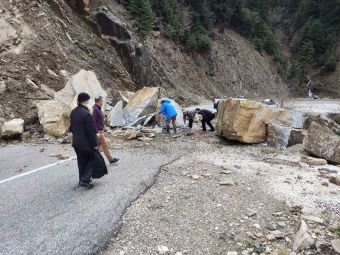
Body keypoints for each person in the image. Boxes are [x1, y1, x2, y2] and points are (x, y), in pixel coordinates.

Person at [70, 92, 108, 189]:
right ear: (86, 100)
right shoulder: (86, 114)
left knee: (82, 161)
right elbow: (90, 131)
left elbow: (71, 128)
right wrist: (95, 143)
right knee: (94, 159)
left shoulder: (73, 112)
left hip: (76, 142)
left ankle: (82, 179)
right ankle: (84, 180)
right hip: (86, 143)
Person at [92, 95, 119, 164]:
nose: (103, 101)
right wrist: (96, 131)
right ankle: (110, 159)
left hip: (100, 130)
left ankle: (92, 160)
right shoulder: (95, 109)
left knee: (98, 146)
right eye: (102, 100)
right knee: (104, 145)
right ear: (99, 101)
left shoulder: (98, 108)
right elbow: (93, 121)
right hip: (98, 131)